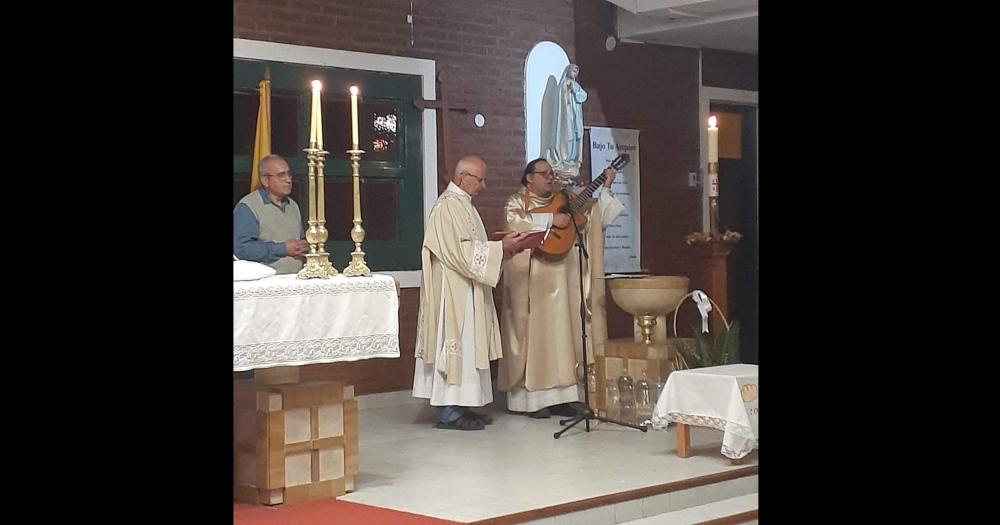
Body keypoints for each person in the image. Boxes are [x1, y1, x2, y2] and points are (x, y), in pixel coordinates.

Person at [497, 158, 623, 418]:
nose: (550, 178)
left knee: (565, 333)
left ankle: (564, 396)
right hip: (534, 285)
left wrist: (606, 187)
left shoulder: (564, 197)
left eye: (552, 174)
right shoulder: (516, 202)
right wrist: (553, 220)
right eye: (543, 174)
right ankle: (532, 400)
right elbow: (515, 223)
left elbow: (595, 217)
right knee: (538, 337)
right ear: (528, 178)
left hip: (564, 280)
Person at [412, 155, 526, 431]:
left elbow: (472, 246)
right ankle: (449, 412)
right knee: (457, 344)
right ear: (463, 177)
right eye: (480, 179)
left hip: (467, 288)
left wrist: (499, 247)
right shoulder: (447, 207)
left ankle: (461, 405)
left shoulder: (464, 205)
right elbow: (458, 252)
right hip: (453, 291)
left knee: (469, 345)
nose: (484, 186)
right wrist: (500, 249)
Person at [233, 154, 310, 274]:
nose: (288, 180)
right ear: (265, 180)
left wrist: (304, 246)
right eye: (281, 175)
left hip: (295, 281)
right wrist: (283, 249)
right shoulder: (248, 207)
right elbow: (242, 249)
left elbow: (300, 240)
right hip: (265, 284)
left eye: (289, 174)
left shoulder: (293, 205)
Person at [546, 64, 587, 178]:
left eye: (576, 72)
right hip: (566, 116)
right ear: (568, 71)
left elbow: (583, 96)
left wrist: (575, 90)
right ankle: (564, 159)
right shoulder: (563, 84)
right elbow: (562, 102)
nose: (574, 74)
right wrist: (567, 91)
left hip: (575, 116)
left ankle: (572, 160)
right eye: (573, 71)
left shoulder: (576, 85)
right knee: (567, 136)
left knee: (575, 138)